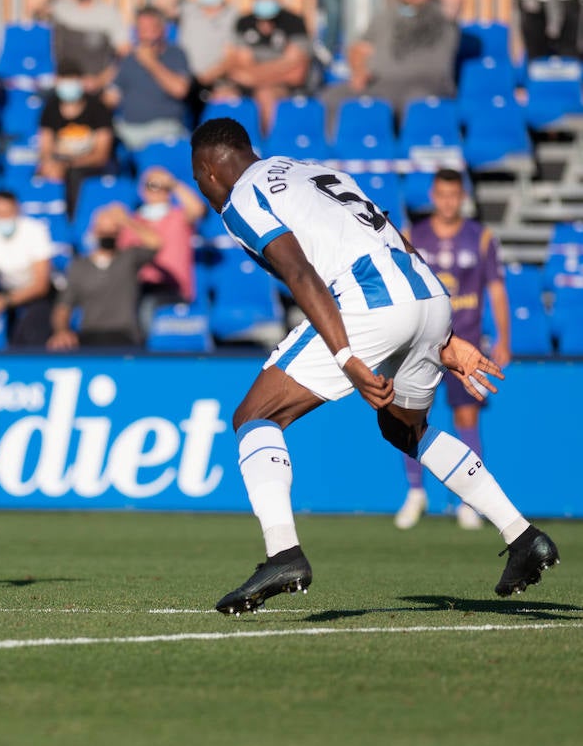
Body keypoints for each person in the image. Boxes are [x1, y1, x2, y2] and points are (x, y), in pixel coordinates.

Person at [189, 119, 559, 615]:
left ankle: (283, 554)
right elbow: (392, 232)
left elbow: (299, 273)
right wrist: (442, 335)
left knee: (254, 416)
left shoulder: (242, 199)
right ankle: (522, 537)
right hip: (427, 292)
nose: (204, 191)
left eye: (198, 180)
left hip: (370, 301)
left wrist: (346, 356)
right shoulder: (309, 170)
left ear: (210, 170)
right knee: (405, 429)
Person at [395, 169, 511, 531]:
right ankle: (416, 494)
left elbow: (496, 290)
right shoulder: (414, 235)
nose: (447, 202)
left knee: (466, 419)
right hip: (423, 341)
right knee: (409, 417)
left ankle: (468, 501)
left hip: (468, 344)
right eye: (441, 195)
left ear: (462, 196)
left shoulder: (481, 238)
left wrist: (504, 337)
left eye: (453, 195)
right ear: (433, 195)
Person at [323, 0, 462, 119]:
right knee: (331, 97)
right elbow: (359, 49)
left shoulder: (441, 14)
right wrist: (359, 71)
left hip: (425, 84)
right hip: (380, 83)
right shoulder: (384, 17)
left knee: (414, 102)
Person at [211, 0, 315, 131]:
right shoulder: (243, 23)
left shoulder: (294, 23)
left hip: (282, 88)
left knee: (265, 95)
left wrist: (253, 76)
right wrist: (283, 64)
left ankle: (266, 148)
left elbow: (297, 74)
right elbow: (236, 67)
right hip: (248, 87)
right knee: (221, 96)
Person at [47, 202, 160, 350]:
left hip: (124, 335)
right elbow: (63, 306)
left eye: (112, 229)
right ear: (94, 230)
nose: (107, 233)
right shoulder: (79, 266)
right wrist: (61, 331)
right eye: (102, 228)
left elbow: (156, 243)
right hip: (89, 334)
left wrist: (126, 220)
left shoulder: (129, 258)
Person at [25, 0, 130, 93]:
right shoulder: (61, 9)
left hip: (95, 89)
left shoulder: (108, 13)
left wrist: (100, 81)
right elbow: (31, 4)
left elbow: (125, 55)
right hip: (64, 86)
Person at [0, 190, 55, 347]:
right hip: (4, 291)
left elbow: (41, 285)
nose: (4, 218)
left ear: (18, 210)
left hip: (36, 295)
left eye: (8, 212)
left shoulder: (35, 230)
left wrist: (1, 302)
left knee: (32, 330)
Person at [152, 0, 240, 109]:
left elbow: (232, 55)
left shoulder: (233, 15)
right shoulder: (188, 10)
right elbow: (158, 4)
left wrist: (205, 79)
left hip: (218, 85)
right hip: (185, 82)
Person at [105, 6, 192, 153]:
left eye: (151, 28)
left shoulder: (176, 54)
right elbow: (112, 96)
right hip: (128, 129)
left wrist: (150, 62)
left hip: (164, 129)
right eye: (141, 29)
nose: (145, 34)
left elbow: (179, 90)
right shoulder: (128, 58)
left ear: (162, 30)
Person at [123, 166, 207, 318]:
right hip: (141, 288)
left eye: (162, 187)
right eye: (151, 185)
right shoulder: (133, 222)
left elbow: (197, 209)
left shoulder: (178, 216)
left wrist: (173, 184)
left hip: (174, 289)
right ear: (142, 190)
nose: (157, 190)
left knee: (148, 307)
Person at [36, 61, 114, 218]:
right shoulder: (50, 108)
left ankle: (74, 221)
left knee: (74, 176)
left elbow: (101, 155)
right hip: (60, 163)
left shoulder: (97, 108)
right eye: (64, 80)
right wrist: (49, 163)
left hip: (87, 165)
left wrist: (69, 164)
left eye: (73, 80)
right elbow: (45, 146)